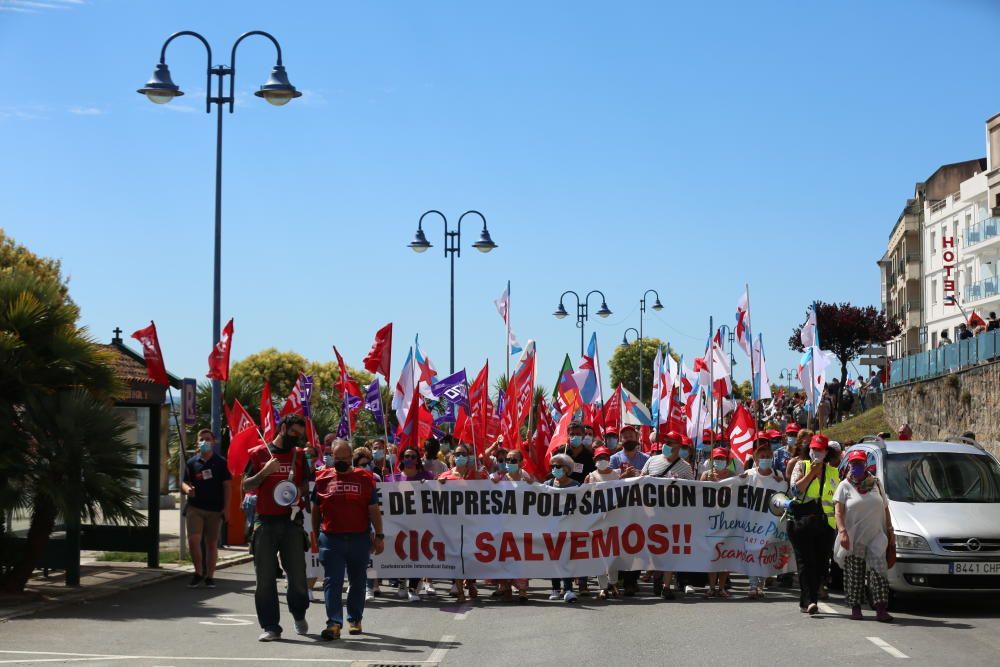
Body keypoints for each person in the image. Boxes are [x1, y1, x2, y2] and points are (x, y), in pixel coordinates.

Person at [243, 414, 311, 642]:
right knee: (265, 578)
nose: (297, 438)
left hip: (292, 521)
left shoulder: (300, 456)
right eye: (293, 433)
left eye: (300, 434)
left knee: (298, 576)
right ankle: (271, 626)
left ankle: (299, 612)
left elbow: (305, 483)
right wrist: (265, 472)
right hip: (265, 522)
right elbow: (245, 485)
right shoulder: (259, 453)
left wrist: (299, 492)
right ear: (283, 428)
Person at [312, 439, 384, 641]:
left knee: (358, 581)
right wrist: (315, 534)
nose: (341, 461)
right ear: (332, 457)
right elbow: (316, 510)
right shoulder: (322, 478)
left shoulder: (365, 478)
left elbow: (374, 510)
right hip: (331, 539)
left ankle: (355, 619)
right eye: (337, 458)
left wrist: (378, 535)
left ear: (351, 457)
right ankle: (334, 623)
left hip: (359, 538)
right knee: (332, 582)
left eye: (345, 458)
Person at [833, 449, 894, 622]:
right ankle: (856, 607)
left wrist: (890, 531)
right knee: (855, 573)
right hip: (855, 536)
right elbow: (838, 512)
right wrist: (843, 532)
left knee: (879, 572)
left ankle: (881, 608)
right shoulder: (844, 486)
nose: (856, 466)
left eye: (860, 463)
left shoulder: (876, 483)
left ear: (866, 464)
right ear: (849, 465)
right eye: (853, 463)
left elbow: (885, 508)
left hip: (876, 534)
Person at [787, 433, 839, 615]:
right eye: (814, 449)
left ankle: (809, 598)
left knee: (820, 563)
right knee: (805, 562)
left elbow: (837, 498)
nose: (817, 453)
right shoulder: (801, 466)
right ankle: (809, 600)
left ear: (827, 452)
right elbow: (795, 489)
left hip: (825, 524)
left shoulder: (833, 472)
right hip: (802, 522)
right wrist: (811, 474)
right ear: (809, 450)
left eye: (820, 450)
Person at [641, 432, 694, 599]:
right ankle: (657, 575)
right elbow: (641, 481)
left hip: (674, 514)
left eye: (670, 442)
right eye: (665, 441)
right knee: (655, 548)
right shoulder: (652, 460)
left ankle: (666, 585)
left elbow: (692, 490)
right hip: (652, 513)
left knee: (670, 548)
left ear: (678, 446)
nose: (666, 445)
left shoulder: (685, 467)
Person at [181, 432, 232, 588]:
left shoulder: (221, 462)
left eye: (207, 439)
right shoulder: (192, 462)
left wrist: (227, 508)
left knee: (211, 543)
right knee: (194, 540)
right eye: (201, 439)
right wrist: (188, 489)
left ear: (214, 441)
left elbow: (228, 486)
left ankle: (209, 576)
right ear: (197, 442)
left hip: (215, 510)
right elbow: (184, 482)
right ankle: (198, 572)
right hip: (195, 508)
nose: (204, 442)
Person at [437, 442, 486, 602]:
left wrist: (481, 481)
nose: (460, 457)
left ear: (468, 457)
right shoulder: (445, 476)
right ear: (452, 457)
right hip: (452, 525)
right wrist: (437, 485)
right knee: (455, 557)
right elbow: (433, 494)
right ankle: (459, 591)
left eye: (463, 454)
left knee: (471, 555)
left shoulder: (477, 475)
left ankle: (471, 582)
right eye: (457, 454)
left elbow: (491, 492)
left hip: (473, 523)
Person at [386, 445, 434, 601]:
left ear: (417, 460)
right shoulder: (392, 478)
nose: (410, 459)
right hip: (398, 524)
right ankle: (401, 582)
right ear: (402, 459)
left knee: (416, 554)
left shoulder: (427, 477)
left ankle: (413, 588)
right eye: (407, 456)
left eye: (413, 457)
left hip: (419, 523)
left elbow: (438, 491)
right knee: (399, 553)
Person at [741, 439, 786, 598]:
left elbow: (782, 495)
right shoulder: (748, 475)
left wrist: (783, 484)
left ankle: (760, 583)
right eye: (762, 456)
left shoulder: (778, 476)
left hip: (769, 522)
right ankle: (753, 585)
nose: (766, 458)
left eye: (768, 455)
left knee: (764, 553)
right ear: (755, 457)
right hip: (751, 521)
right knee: (752, 552)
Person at [490, 449, 534, 603]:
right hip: (501, 524)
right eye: (508, 460)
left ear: (521, 462)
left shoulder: (526, 477)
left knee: (520, 556)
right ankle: (505, 587)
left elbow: (538, 490)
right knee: (503, 555)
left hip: (521, 524)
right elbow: (483, 485)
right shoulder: (499, 476)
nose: (509, 463)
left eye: (513, 460)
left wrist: (533, 483)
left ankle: (522, 589)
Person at [546, 453, 580, 603]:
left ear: (567, 468)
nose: (554, 469)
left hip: (569, 527)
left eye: (558, 466)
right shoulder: (547, 484)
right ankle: (555, 588)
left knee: (566, 558)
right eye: (552, 466)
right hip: (551, 528)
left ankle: (568, 589)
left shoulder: (575, 486)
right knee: (554, 558)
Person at [701, 447, 734, 598]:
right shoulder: (706, 475)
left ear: (727, 461)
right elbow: (699, 495)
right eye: (717, 459)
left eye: (722, 459)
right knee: (712, 554)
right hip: (710, 519)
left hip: (727, 520)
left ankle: (722, 587)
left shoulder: (733, 476)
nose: (720, 461)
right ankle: (711, 587)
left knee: (725, 555)